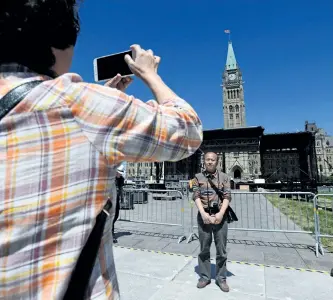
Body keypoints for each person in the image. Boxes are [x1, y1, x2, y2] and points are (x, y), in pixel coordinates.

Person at [0, 1, 203, 299]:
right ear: (60, 39)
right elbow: (187, 130)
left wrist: (105, 102)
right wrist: (150, 75)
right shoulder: (79, 105)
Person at [192, 152, 231, 292]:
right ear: (204, 161)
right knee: (204, 249)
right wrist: (203, 214)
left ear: (217, 162)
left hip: (220, 217)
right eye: (207, 159)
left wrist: (221, 214)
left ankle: (221, 278)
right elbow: (195, 195)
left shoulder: (225, 177)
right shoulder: (197, 177)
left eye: (212, 160)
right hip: (204, 217)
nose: (210, 162)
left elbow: (227, 196)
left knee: (221, 250)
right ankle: (204, 277)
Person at [112, 165, 125, 243]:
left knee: (116, 215)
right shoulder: (110, 178)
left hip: (116, 199)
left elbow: (121, 189)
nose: (120, 174)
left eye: (121, 173)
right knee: (110, 217)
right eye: (119, 173)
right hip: (109, 200)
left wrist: (122, 199)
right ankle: (111, 234)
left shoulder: (121, 179)